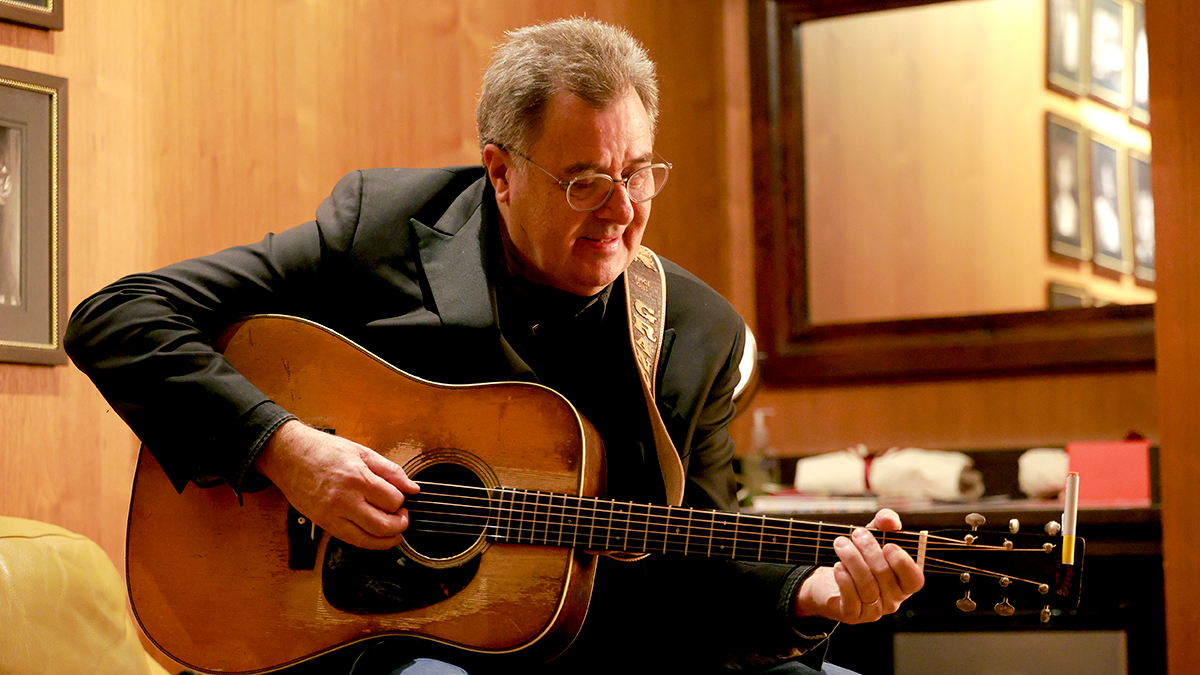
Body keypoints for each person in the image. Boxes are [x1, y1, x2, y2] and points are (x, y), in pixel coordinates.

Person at [65, 18, 922, 675]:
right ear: (500, 173)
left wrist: (808, 598)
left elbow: (703, 567)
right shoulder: (384, 232)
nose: (622, 209)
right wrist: (285, 450)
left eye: (641, 173)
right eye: (586, 180)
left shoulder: (695, 334)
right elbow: (119, 316)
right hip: (383, 649)